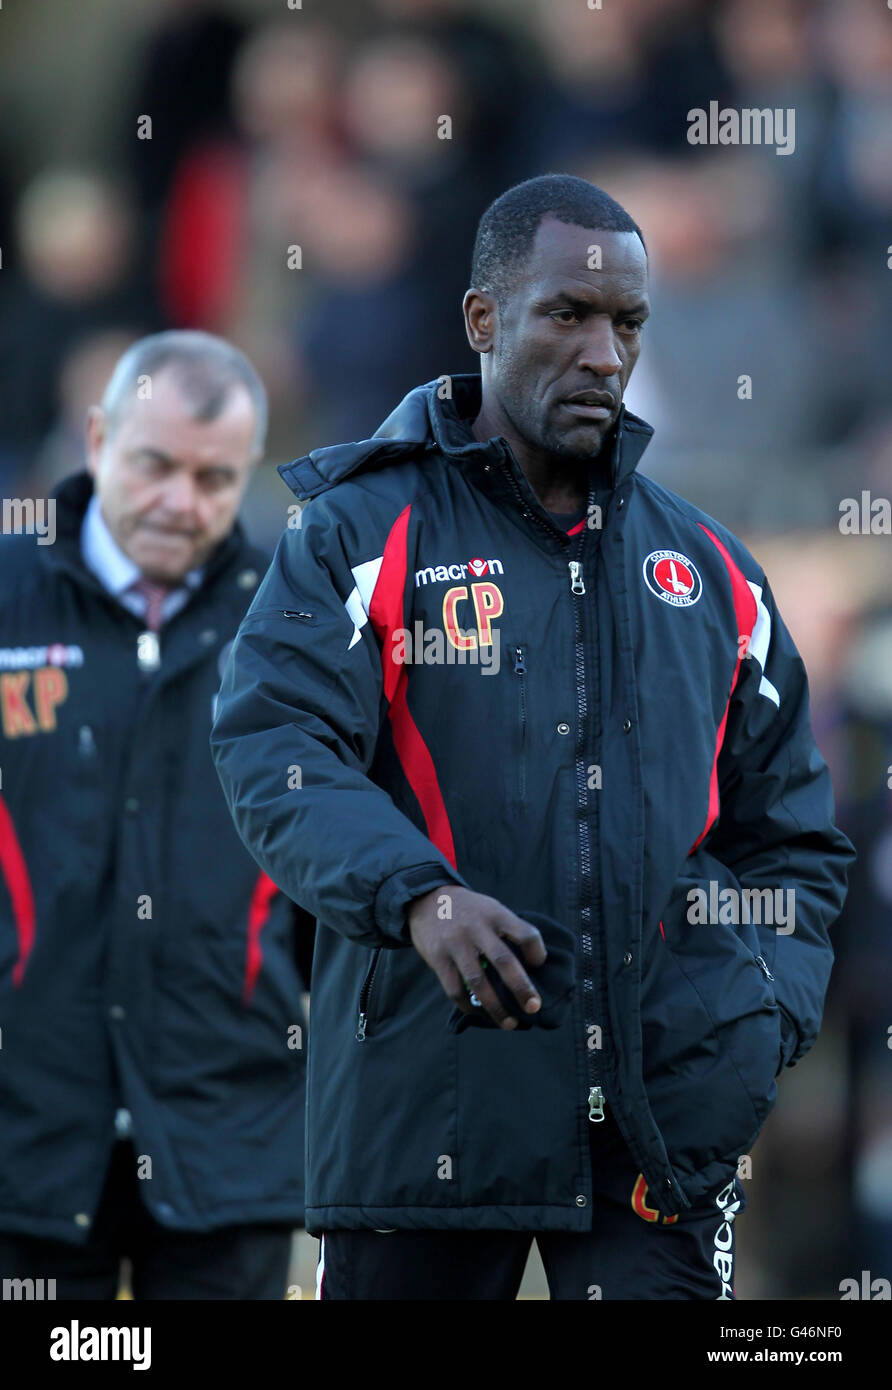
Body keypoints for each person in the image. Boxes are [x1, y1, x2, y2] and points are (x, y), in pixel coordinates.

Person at [211, 176, 854, 1300]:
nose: (605, 354)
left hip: (662, 1133)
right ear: (483, 320)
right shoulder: (357, 532)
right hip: (422, 1117)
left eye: (628, 324)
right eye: (569, 315)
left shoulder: (710, 572)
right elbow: (275, 747)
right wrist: (417, 893)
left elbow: (793, 841)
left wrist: (759, 1011)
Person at [0, 331, 308, 1299]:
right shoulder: (9, 597)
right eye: (156, 465)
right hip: (26, 1145)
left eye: (216, 478)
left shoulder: (294, 625)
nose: (183, 502)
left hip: (234, 1139)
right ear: (96, 438)